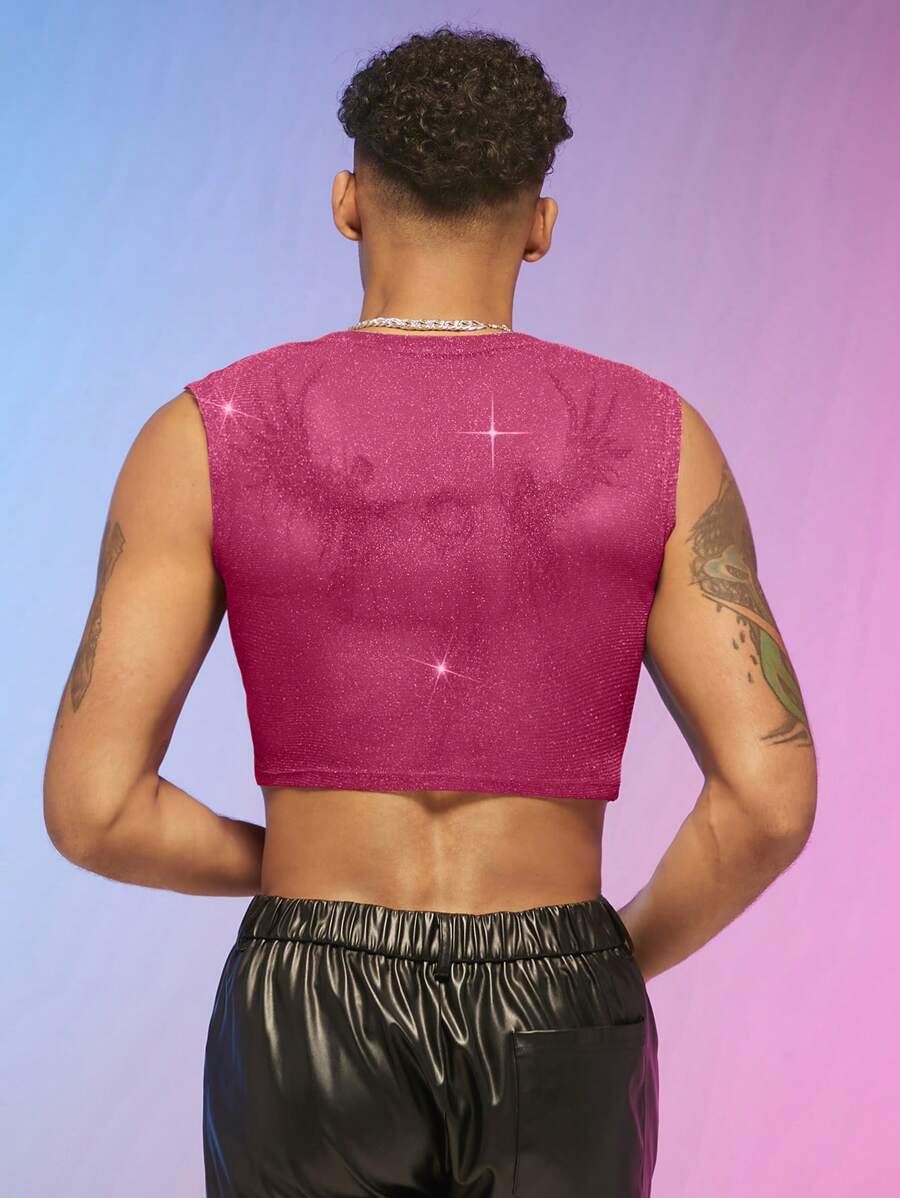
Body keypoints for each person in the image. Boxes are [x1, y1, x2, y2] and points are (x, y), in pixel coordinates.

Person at [42, 24, 817, 1198]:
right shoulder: (658, 439)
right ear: (541, 224)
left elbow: (94, 811)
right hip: (562, 991)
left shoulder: (207, 433)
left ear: (347, 202)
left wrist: (292, 865)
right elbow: (770, 796)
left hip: (309, 998)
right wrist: (608, 961)